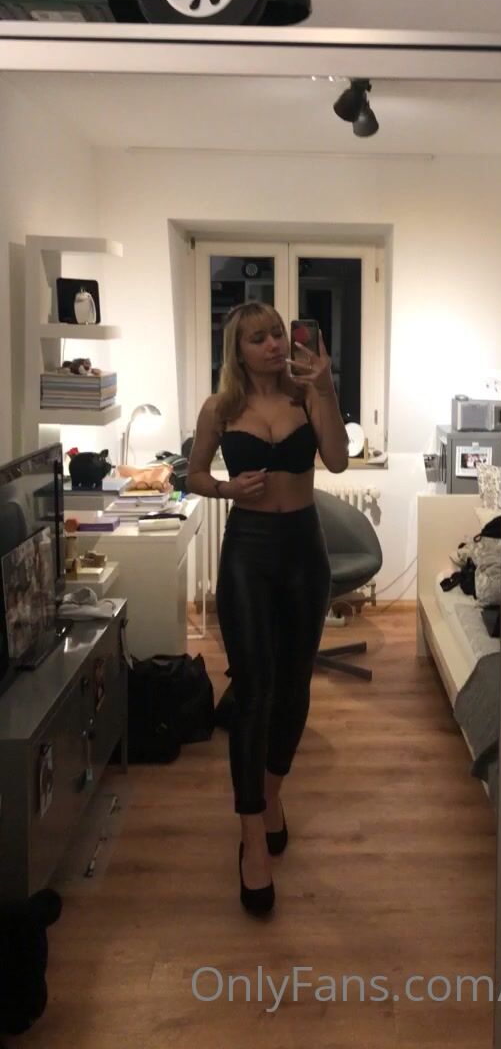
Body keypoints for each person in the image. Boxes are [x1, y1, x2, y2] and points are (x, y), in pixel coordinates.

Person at [186, 302, 349, 916]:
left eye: (278, 333)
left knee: (294, 688)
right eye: (259, 338)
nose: (275, 344)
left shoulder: (307, 396)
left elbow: (337, 459)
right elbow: (193, 475)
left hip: (305, 551)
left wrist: (326, 387)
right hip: (248, 553)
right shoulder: (220, 409)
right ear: (238, 349)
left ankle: (272, 792)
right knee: (254, 692)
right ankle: (252, 833)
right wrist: (226, 488)